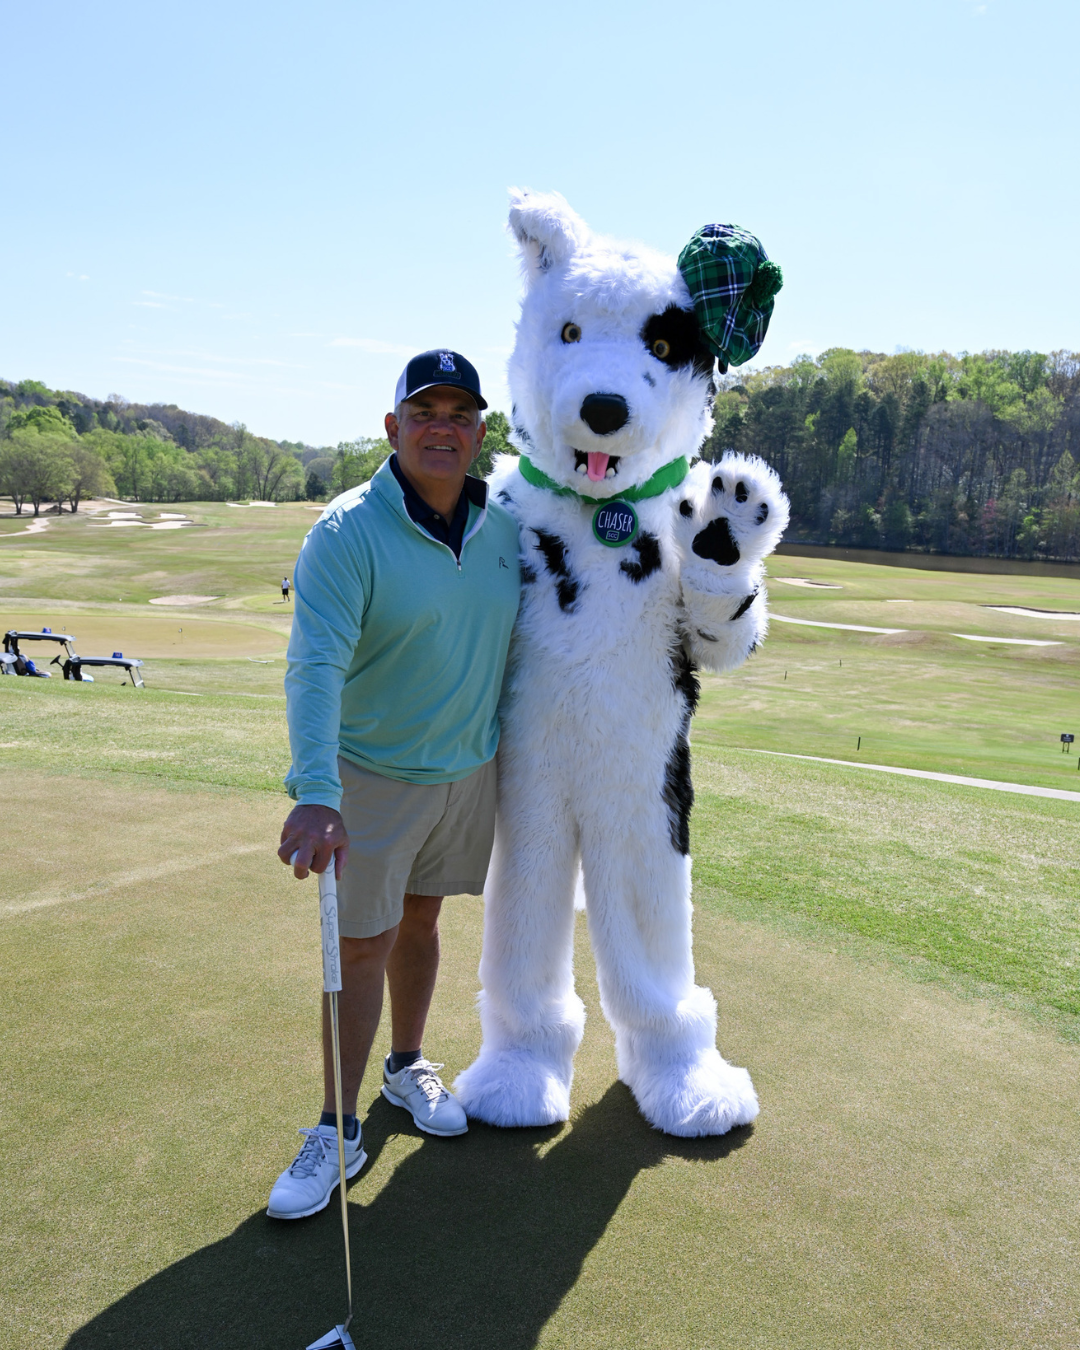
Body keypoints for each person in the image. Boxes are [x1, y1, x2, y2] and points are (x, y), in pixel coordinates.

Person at [268, 350, 521, 1220]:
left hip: (469, 770)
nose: (443, 426)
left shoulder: (506, 527)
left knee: (424, 918)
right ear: (393, 427)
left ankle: (406, 1066)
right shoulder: (346, 532)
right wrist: (314, 789)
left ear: (482, 432)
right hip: (371, 776)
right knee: (361, 947)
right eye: (425, 412)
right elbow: (314, 665)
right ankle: (337, 1128)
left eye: (461, 413)